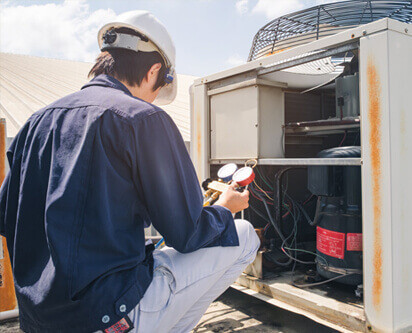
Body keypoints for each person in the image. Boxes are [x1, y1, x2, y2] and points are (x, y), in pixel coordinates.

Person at [0, 11, 259, 333]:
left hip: (40, 319)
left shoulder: (35, 122)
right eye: (159, 87)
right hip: (106, 313)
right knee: (244, 237)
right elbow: (187, 234)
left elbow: (7, 217)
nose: (155, 100)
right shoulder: (143, 118)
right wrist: (225, 208)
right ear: (154, 71)